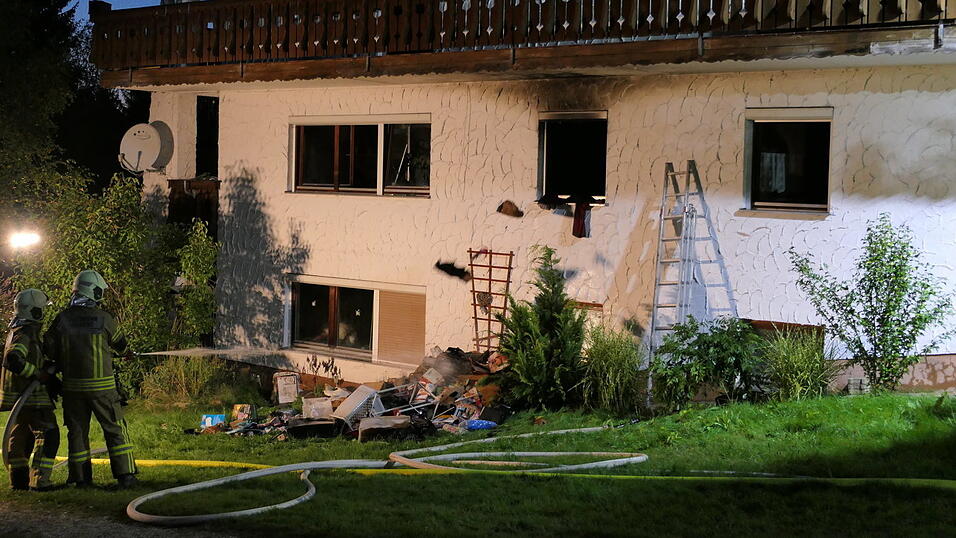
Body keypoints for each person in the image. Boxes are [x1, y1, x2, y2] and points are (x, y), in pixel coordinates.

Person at [45, 270, 137, 488]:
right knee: (115, 429)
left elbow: (49, 349)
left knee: (77, 433)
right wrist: (126, 352)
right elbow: (121, 344)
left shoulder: (62, 319)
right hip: (103, 389)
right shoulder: (103, 318)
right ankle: (126, 476)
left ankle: (81, 479)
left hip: (73, 390)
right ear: (93, 291)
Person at [1, 288, 60, 491]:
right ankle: (40, 480)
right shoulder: (24, 334)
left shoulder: (16, 330)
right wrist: (37, 374)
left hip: (19, 398)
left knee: (20, 436)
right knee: (48, 433)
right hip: (31, 397)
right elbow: (13, 359)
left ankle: (18, 481)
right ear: (35, 311)